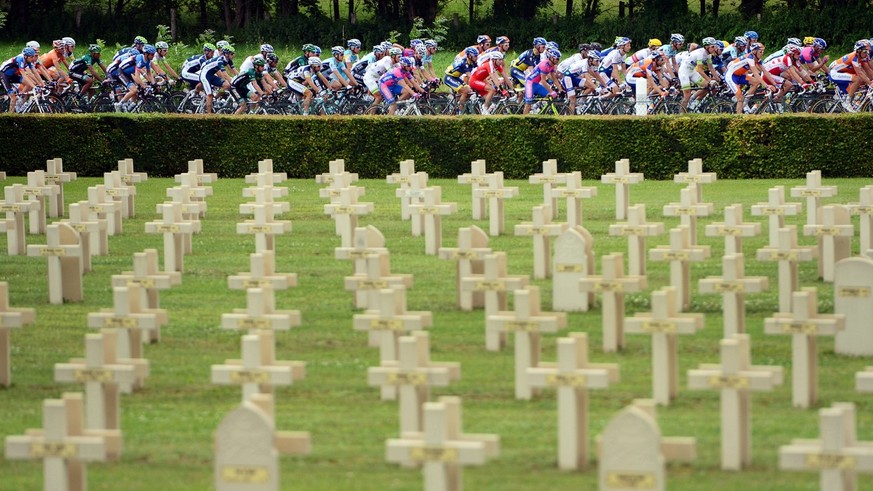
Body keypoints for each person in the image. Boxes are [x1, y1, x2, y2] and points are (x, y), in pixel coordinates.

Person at [725, 42, 777, 114]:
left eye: (763, 51)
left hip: (739, 75)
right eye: (760, 51)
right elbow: (756, 73)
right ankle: (738, 118)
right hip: (731, 76)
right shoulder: (750, 58)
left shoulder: (757, 59)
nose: (762, 53)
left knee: (756, 82)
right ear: (754, 52)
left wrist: (775, 84)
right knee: (740, 98)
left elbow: (765, 72)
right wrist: (767, 86)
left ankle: (745, 102)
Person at [679, 37, 723, 111]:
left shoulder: (708, 55)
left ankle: (693, 102)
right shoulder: (700, 53)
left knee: (707, 87)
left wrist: (718, 79)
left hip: (692, 71)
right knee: (687, 94)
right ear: (706, 47)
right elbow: (700, 70)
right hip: (684, 72)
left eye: (715, 46)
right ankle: (681, 113)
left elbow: (711, 68)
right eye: (712, 47)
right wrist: (710, 80)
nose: (714, 49)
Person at [828, 40, 873, 112]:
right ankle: (847, 101)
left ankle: (851, 101)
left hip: (842, 72)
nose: (867, 54)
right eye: (865, 51)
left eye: (868, 52)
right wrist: (870, 83)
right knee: (857, 79)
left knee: (862, 82)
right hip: (834, 72)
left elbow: (868, 70)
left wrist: (870, 81)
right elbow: (860, 73)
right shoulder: (854, 57)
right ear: (859, 51)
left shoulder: (863, 57)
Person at [115, 44, 157, 111]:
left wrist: (154, 83)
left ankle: (129, 105)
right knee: (134, 90)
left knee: (137, 91)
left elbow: (149, 73)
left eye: (154, 54)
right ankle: (119, 105)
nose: (153, 56)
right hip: (122, 73)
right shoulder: (140, 59)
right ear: (146, 54)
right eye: (152, 54)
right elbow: (137, 76)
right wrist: (143, 85)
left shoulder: (148, 60)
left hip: (130, 73)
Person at [0, 47, 42, 112]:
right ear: (26, 56)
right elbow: (24, 75)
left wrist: (42, 84)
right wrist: (35, 87)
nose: (33, 59)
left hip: (13, 75)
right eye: (31, 57)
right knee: (13, 98)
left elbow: (35, 72)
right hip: (4, 75)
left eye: (33, 56)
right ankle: (10, 118)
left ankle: (20, 101)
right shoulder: (20, 59)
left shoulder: (28, 60)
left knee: (30, 84)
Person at [523, 48, 562, 114]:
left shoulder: (552, 66)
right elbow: (543, 81)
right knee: (528, 104)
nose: (558, 60)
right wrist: (551, 91)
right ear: (551, 58)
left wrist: (561, 90)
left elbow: (554, 79)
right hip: (530, 83)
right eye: (557, 59)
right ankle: (523, 121)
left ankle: (538, 109)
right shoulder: (544, 65)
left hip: (536, 84)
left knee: (549, 96)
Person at [199, 45, 235, 114]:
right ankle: (209, 115)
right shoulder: (220, 60)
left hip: (211, 75)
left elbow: (234, 71)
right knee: (209, 95)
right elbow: (225, 74)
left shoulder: (228, 60)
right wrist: (233, 82)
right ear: (226, 54)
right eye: (232, 54)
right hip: (205, 75)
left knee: (227, 85)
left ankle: (215, 98)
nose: (233, 55)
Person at [444, 47, 478, 112]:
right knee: (465, 91)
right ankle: (460, 111)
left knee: (469, 91)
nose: (477, 57)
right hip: (449, 77)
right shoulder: (464, 63)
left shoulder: (472, 62)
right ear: (470, 56)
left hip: (456, 77)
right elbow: (470, 76)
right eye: (475, 56)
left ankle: (455, 100)